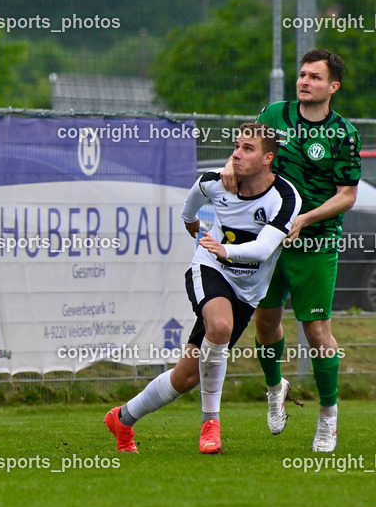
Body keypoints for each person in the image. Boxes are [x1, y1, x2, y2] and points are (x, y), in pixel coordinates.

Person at [106, 123, 300, 454]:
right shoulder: (212, 182)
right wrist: (203, 241)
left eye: (247, 149)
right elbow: (188, 213)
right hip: (208, 269)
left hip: (247, 292)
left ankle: (122, 419)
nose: (237, 154)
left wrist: (227, 249)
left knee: (187, 376)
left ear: (268, 157)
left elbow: (264, 249)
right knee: (220, 326)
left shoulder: (285, 197)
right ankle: (211, 424)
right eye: (236, 146)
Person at [221, 49, 360, 453]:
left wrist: (305, 219)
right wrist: (233, 165)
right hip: (269, 238)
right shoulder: (274, 115)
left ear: (332, 87)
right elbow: (250, 148)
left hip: (315, 243)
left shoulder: (344, 134)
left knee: (317, 331)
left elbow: (347, 195)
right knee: (264, 322)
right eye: (302, 74)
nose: (304, 81)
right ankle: (273, 387)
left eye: (315, 77)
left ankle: (328, 416)